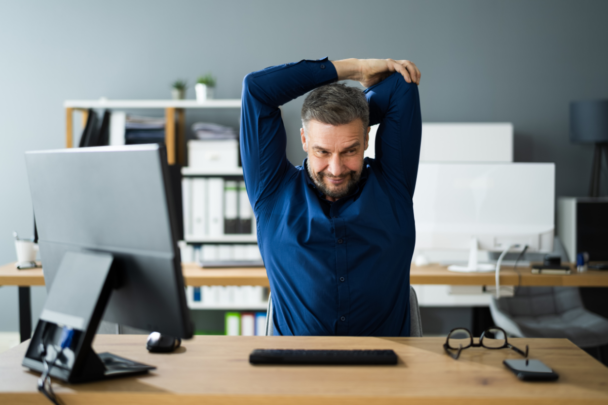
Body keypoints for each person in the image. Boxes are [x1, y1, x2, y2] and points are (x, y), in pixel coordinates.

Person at [240, 57, 421, 336]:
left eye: (349, 150)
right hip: (295, 372)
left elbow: (401, 87)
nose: (336, 170)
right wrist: (355, 69)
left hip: (387, 374)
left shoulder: (392, 185)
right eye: (322, 151)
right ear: (304, 140)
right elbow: (256, 89)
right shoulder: (272, 190)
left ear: (366, 140)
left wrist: (354, 114)